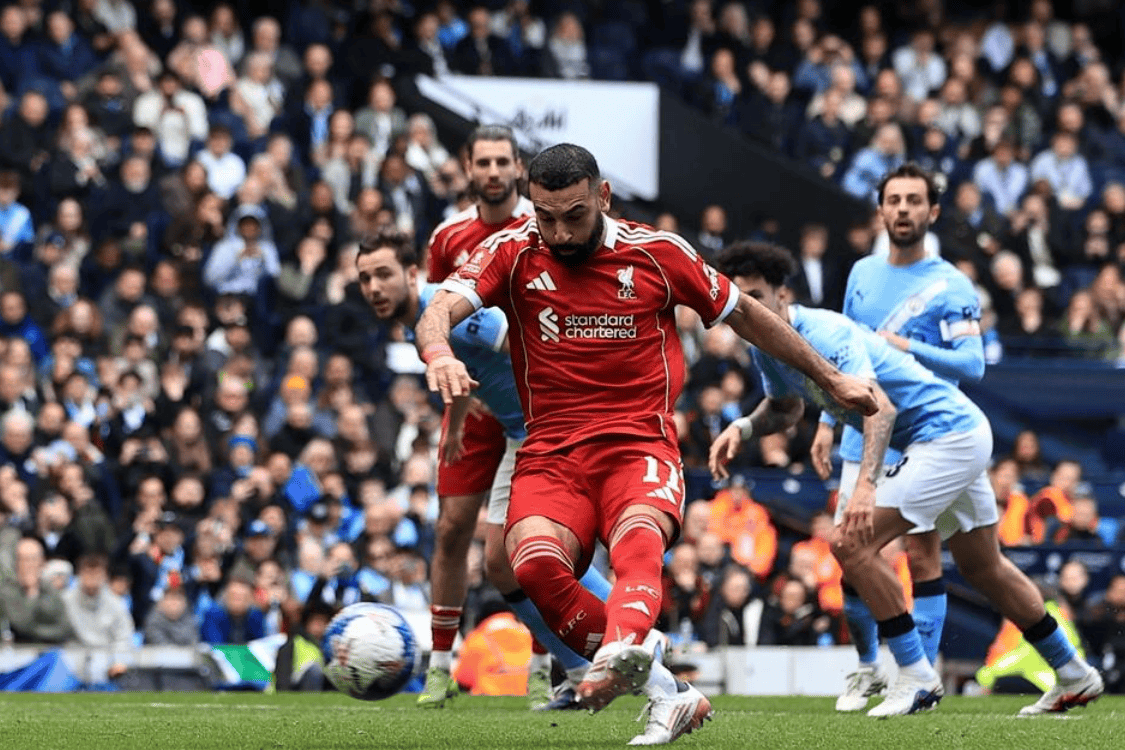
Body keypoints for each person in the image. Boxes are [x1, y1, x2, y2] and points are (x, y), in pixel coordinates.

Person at [417, 143, 876, 744]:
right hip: (551, 452)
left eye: (574, 215)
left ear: (603, 197)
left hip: (639, 445)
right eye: (546, 217)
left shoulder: (658, 253)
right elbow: (437, 309)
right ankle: (666, 688)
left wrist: (832, 378)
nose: (559, 232)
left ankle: (626, 658)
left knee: (638, 544)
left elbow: (745, 315)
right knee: (531, 565)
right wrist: (439, 352)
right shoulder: (513, 249)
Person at [708, 240, 1102, 717]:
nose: (746, 311)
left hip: (945, 437)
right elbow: (786, 408)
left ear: (782, 295)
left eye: (755, 298)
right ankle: (1073, 672)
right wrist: (744, 427)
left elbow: (881, 409)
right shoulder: (765, 347)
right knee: (984, 567)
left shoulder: (825, 331)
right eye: (739, 301)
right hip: (956, 434)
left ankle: (915, 673)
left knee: (850, 543)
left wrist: (866, 485)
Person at [356, 230, 604, 711]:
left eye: (384, 274)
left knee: (529, 555)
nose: (374, 287)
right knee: (500, 565)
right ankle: (579, 672)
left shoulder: (452, 312)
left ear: (413, 274)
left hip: (547, 431)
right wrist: (457, 421)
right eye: (365, 279)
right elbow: (466, 369)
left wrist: (563, 412)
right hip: (517, 435)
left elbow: (525, 341)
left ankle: (636, 637)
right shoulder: (415, 324)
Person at [417, 125, 602, 710]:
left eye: (503, 162)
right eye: (484, 162)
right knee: (453, 530)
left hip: (536, 406)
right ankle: (439, 668)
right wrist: (456, 403)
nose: (494, 172)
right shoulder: (448, 238)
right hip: (477, 403)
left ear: (519, 167)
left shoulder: (547, 226)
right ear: (468, 167)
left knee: (530, 542)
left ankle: (555, 664)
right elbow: (439, 320)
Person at [812, 163, 986, 712]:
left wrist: (906, 347)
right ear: (881, 210)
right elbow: (838, 350)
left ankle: (920, 679)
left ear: (932, 211)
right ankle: (868, 668)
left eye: (913, 200)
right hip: (861, 432)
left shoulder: (952, 283)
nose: (903, 209)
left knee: (922, 556)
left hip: (923, 434)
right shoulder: (861, 272)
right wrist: (825, 422)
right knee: (850, 552)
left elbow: (974, 364)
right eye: (894, 200)